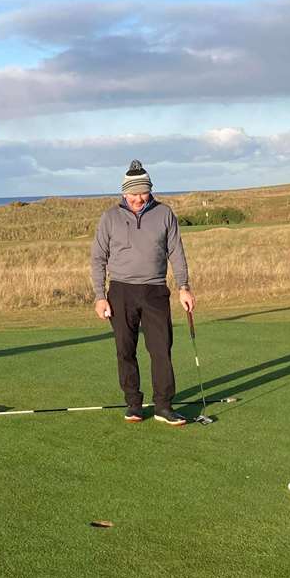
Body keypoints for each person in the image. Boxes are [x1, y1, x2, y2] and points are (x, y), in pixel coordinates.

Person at [91, 160, 195, 425]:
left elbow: (177, 253)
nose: (138, 198)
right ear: (124, 192)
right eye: (134, 193)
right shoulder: (110, 217)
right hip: (121, 291)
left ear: (150, 190)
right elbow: (98, 259)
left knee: (161, 350)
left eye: (143, 192)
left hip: (155, 290)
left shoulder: (165, 213)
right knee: (125, 350)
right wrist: (100, 296)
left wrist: (184, 287)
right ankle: (134, 404)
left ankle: (163, 406)